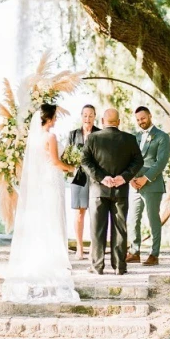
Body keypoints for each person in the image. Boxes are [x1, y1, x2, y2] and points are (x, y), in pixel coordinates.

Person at [1, 103, 79, 303]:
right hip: (52, 181)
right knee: (53, 218)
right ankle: (54, 260)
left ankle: (44, 255)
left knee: (44, 219)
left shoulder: (35, 138)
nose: (57, 119)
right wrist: (72, 168)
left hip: (42, 182)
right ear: (50, 118)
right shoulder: (50, 137)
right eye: (55, 116)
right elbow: (55, 161)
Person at [82, 108, 144, 275]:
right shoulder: (130, 139)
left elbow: (85, 162)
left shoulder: (93, 138)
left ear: (102, 121)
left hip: (98, 191)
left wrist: (102, 178)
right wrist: (123, 178)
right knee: (120, 229)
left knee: (97, 230)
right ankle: (119, 267)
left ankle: (97, 267)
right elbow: (138, 162)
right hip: (120, 191)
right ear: (118, 122)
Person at [126, 106, 170, 267]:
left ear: (150, 116)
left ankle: (154, 254)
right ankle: (134, 251)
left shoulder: (162, 137)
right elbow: (129, 160)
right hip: (134, 184)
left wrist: (146, 178)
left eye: (143, 118)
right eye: (138, 120)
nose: (141, 122)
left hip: (152, 184)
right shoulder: (135, 137)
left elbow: (161, 162)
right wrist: (131, 178)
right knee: (133, 218)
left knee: (153, 219)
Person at [68, 104, 99, 260]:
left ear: (95, 117)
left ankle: (94, 247)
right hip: (78, 177)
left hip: (95, 178)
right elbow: (67, 156)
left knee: (95, 212)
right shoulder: (73, 135)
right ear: (81, 116)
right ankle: (79, 248)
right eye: (85, 115)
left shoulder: (100, 133)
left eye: (91, 115)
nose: (88, 118)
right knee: (80, 213)